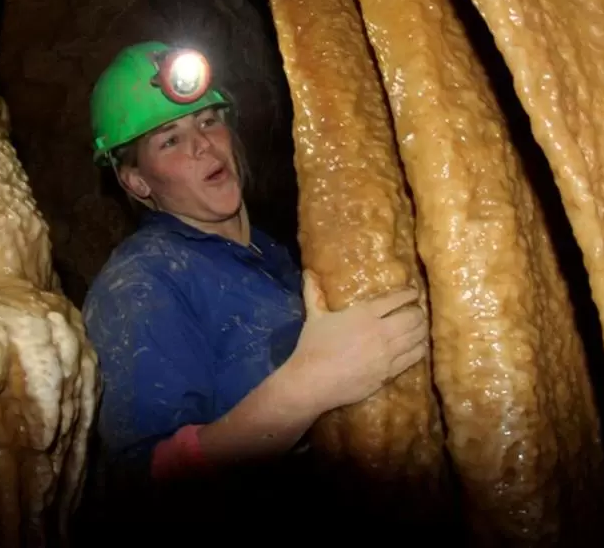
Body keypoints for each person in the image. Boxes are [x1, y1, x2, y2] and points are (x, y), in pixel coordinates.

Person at [81, 40, 430, 510]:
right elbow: (140, 492)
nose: (202, 143)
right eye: (169, 139)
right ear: (137, 181)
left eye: (207, 121)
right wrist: (305, 388)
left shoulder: (274, 255)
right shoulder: (139, 283)